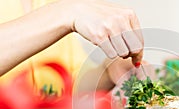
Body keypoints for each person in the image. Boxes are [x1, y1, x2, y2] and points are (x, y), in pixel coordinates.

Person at [0, 0, 144, 92]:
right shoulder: (62, 11)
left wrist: (108, 72)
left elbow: (71, 83)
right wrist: (66, 12)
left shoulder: (48, 3)